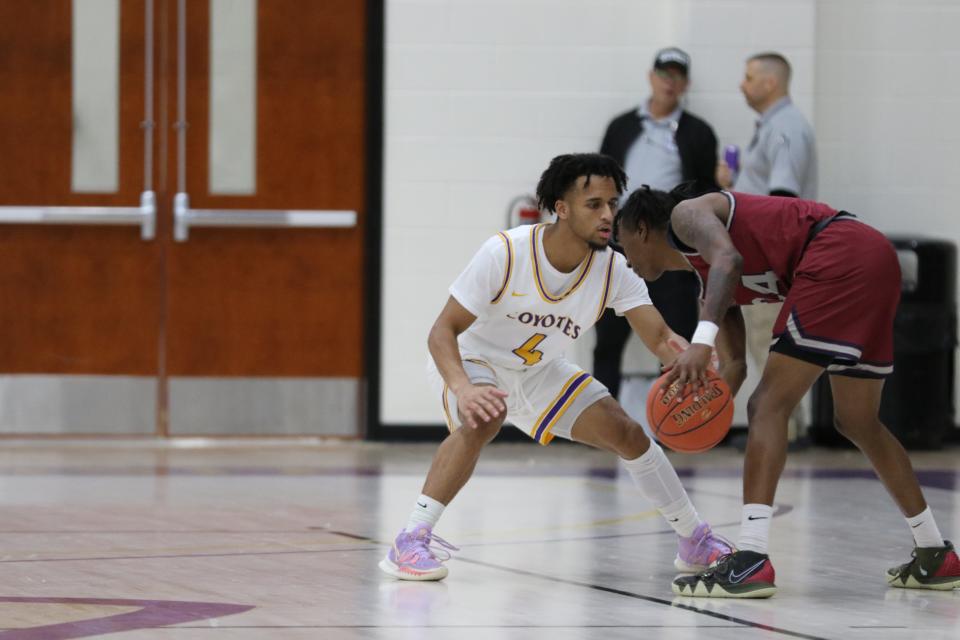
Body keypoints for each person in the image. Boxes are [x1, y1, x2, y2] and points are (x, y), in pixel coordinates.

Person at [379, 154, 732, 582]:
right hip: (474, 360)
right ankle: (410, 539)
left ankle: (694, 540)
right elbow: (442, 332)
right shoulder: (506, 251)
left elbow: (658, 336)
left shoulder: (612, 269)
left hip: (542, 370)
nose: (607, 215)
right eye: (594, 204)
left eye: (612, 204)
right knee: (483, 419)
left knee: (629, 432)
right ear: (561, 208)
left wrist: (689, 356)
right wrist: (464, 388)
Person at [614, 183, 960, 598]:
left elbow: (728, 257)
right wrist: (700, 408)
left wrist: (700, 343)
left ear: (642, 228)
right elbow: (735, 368)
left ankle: (752, 560)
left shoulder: (686, 216)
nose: (623, 257)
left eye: (622, 243)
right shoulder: (707, 284)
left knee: (768, 405)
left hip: (840, 253)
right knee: (857, 420)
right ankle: (935, 553)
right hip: (873, 259)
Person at [595, 47, 719, 399]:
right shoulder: (621, 127)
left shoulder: (698, 133)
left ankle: (678, 415)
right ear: (651, 78)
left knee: (675, 335)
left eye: (677, 77)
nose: (670, 83)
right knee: (607, 339)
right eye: (664, 75)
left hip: (670, 248)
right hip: (620, 245)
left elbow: (706, 189)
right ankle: (601, 418)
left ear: (686, 85)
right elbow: (600, 178)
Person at [717, 52, 818, 443]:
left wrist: (770, 264)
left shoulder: (786, 128)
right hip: (769, 259)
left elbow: (782, 202)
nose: (742, 85)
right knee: (768, 345)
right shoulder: (773, 126)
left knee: (771, 345)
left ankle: (786, 433)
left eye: (748, 77)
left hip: (775, 261)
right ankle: (789, 428)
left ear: (770, 83)